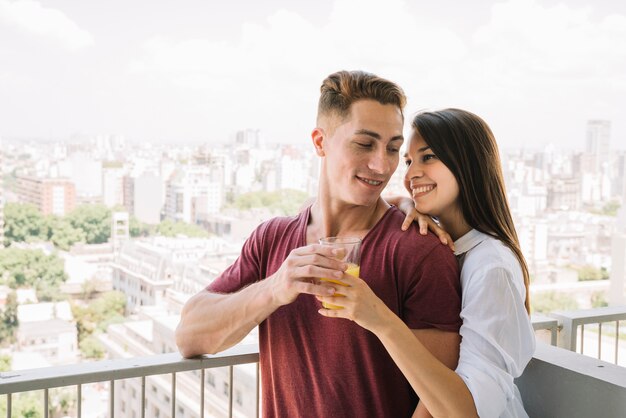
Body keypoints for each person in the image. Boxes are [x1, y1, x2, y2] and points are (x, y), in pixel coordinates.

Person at [175, 71, 463, 417]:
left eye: (393, 148)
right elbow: (189, 337)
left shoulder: (419, 251)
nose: (382, 165)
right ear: (320, 142)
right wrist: (275, 289)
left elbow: (438, 406)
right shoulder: (272, 238)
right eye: (364, 143)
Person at [317, 108, 536, 418]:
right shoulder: (445, 238)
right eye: (408, 161)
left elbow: (468, 411)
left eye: (428, 157)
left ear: (469, 165)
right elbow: (388, 201)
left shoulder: (491, 267)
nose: (410, 174)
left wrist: (380, 318)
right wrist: (408, 204)